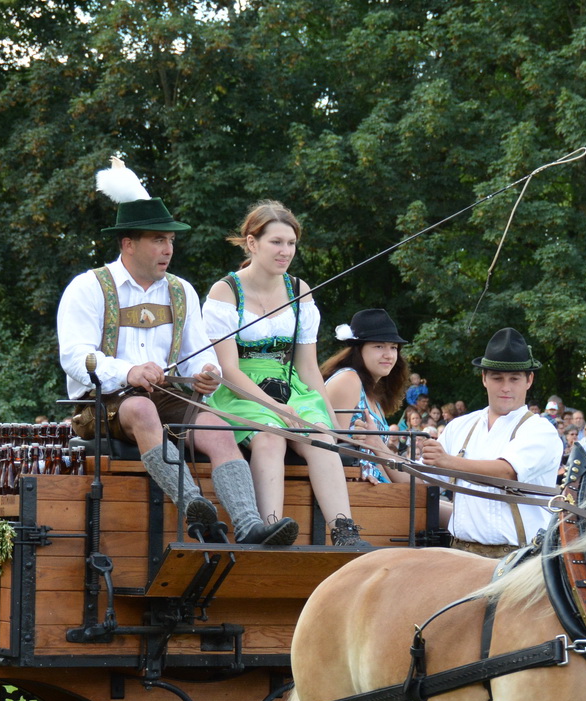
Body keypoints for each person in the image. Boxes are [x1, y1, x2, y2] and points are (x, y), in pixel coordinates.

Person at [58, 161, 296, 546]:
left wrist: (206, 372)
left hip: (168, 396)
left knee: (218, 427)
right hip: (101, 404)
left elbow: (197, 357)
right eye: (158, 240)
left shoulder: (181, 290)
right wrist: (129, 371)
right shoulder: (88, 288)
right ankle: (192, 505)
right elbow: (74, 357)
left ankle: (251, 526)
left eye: (170, 240)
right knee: (140, 408)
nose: (168, 249)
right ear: (128, 244)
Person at [204, 201, 368, 548]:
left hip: (289, 385)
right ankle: (271, 530)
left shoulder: (299, 290)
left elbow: (308, 366)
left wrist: (330, 418)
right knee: (270, 436)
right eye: (276, 242)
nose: (285, 251)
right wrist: (277, 410)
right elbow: (229, 369)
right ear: (252, 243)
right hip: (240, 388)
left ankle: (344, 532)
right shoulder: (225, 292)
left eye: (291, 243)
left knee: (322, 437)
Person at [419, 328, 563, 558]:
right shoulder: (460, 426)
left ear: (529, 380)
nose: (505, 387)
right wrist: (378, 450)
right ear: (484, 378)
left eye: (514, 379)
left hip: (519, 561)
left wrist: (447, 461)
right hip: (459, 553)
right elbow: (421, 480)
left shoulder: (540, 429)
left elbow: (506, 473)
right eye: (497, 378)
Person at [320, 309, 412, 485]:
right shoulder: (348, 379)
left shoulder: (374, 395)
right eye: (379, 346)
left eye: (393, 347)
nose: (389, 354)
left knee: (440, 502)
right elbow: (334, 445)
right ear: (358, 350)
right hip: (353, 486)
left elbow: (380, 459)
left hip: (377, 485)